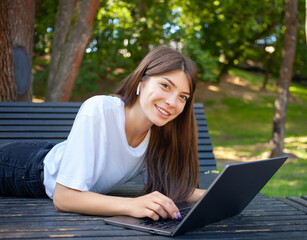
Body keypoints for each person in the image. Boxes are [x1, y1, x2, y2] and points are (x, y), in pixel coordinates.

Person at [0, 46, 205, 221]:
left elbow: (172, 188)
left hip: (53, 157)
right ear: (141, 82)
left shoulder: (158, 133)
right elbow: (64, 198)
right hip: (25, 168)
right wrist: (132, 205)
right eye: (165, 85)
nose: (172, 102)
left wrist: (216, 195)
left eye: (183, 97)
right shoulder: (100, 109)